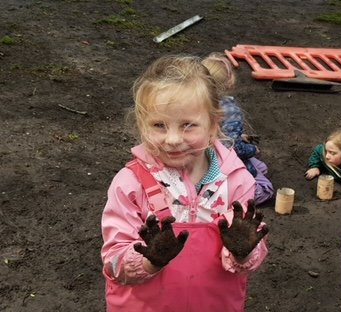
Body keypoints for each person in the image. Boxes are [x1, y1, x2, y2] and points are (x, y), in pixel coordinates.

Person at [100, 55, 269, 312]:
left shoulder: (237, 181)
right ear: (141, 126)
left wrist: (243, 252)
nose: (173, 139)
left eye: (188, 125)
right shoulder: (130, 184)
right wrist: (149, 261)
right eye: (159, 125)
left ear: (213, 126)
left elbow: (250, 260)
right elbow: (112, 263)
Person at [202, 52, 275, 205]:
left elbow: (219, 135)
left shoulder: (198, 102)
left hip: (202, 157)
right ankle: (230, 199)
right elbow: (234, 149)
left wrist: (241, 138)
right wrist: (253, 150)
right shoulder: (229, 110)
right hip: (220, 162)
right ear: (230, 82)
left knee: (262, 167)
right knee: (266, 188)